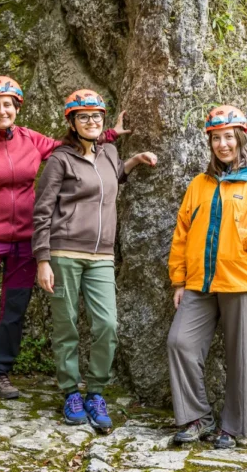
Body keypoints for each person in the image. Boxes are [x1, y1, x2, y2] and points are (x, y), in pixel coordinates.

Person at [0, 76, 128, 407]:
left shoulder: (31, 139)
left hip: (25, 240)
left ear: (17, 108)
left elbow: (73, 143)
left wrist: (109, 135)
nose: (2, 110)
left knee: (14, 308)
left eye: (8, 104)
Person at [32, 89, 156, 430]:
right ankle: (71, 392)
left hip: (102, 254)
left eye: (96, 116)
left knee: (107, 325)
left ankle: (96, 391)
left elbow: (111, 178)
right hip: (64, 253)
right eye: (83, 116)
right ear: (71, 122)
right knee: (66, 326)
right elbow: (42, 211)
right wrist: (43, 258)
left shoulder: (109, 152)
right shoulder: (59, 160)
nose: (91, 121)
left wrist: (135, 160)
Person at [166, 105, 247, 449]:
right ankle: (197, 418)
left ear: (240, 139)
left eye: (229, 137)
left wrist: (246, 237)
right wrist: (179, 280)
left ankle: (232, 429)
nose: (223, 144)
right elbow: (182, 233)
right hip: (199, 283)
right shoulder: (199, 184)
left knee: (240, 357)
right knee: (179, 342)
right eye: (216, 138)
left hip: (241, 282)